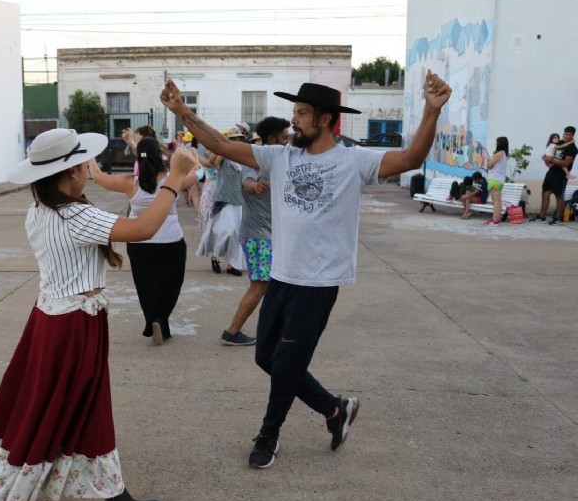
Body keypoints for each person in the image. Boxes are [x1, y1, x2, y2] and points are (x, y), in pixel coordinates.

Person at [161, 69, 452, 469]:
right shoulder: (279, 157)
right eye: (294, 111)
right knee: (267, 357)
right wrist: (182, 111)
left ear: (326, 119)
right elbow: (222, 146)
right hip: (282, 275)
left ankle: (269, 436)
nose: (293, 119)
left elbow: (411, 158)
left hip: (318, 282)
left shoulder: (353, 160)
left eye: (301, 112)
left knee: (286, 365)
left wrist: (431, 112)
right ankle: (335, 410)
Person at [0, 128, 196, 501]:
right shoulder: (75, 215)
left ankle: (15, 494)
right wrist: (174, 178)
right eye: (84, 166)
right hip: (72, 327)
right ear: (70, 175)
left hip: (51, 321)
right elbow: (142, 230)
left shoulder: (40, 210)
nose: (89, 170)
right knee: (64, 409)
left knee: (52, 407)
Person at [89, 137, 197, 344]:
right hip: (171, 242)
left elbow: (99, 177)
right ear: (159, 155)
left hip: (139, 243)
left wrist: (90, 158)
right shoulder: (173, 179)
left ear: (138, 158)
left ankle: (153, 321)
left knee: (146, 285)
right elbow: (198, 173)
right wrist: (192, 156)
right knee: (171, 284)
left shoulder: (130, 183)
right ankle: (161, 318)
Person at [220, 116, 290, 346]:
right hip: (258, 235)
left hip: (270, 234)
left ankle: (277, 330)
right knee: (261, 285)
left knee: (272, 284)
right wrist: (255, 187)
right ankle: (232, 332)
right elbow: (247, 183)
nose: (288, 141)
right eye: (284, 137)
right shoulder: (255, 160)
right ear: (272, 139)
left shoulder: (280, 159)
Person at [195, 127, 249, 276]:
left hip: (238, 200)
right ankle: (215, 257)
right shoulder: (223, 154)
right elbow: (212, 163)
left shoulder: (244, 157)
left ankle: (232, 265)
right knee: (224, 231)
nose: (238, 141)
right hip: (224, 199)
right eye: (235, 139)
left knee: (237, 233)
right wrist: (220, 149)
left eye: (240, 139)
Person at [531, 126, 577, 225]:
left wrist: (551, 160)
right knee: (545, 194)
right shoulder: (560, 143)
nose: (565, 136)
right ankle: (541, 217)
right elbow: (551, 153)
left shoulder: (572, 148)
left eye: (568, 134)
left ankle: (558, 219)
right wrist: (545, 158)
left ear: (573, 135)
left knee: (559, 197)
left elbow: (566, 163)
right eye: (564, 133)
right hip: (551, 173)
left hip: (560, 175)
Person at [483, 136, 508, 225]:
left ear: (500, 143)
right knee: (495, 200)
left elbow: (489, 165)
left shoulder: (499, 153)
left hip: (495, 179)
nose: (495, 144)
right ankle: (495, 218)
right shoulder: (502, 154)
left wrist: (488, 161)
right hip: (496, 179)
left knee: (496, 201)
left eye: (496, 142)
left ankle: (496, 220)